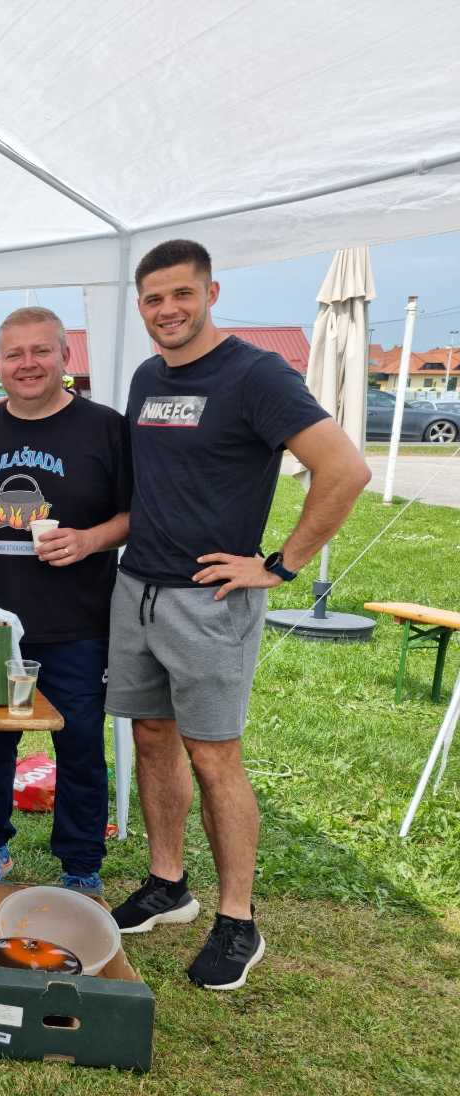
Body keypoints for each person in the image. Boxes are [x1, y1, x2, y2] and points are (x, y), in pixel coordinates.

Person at [107, 239, 370, 990]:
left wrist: (279, 565)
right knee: (151, 737)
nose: (168, 310)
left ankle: (237, 920)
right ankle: (168, 882)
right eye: (154, 299)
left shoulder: (256, 373)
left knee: (214, 754)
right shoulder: (147, 378)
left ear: (211, 293)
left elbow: (344, 468)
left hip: (211, 601)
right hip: (139, 588)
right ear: (140, 305)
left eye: (181, 294)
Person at [0, 307, 130, 896]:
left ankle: (81, 867)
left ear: (65, 357)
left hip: (78, 621)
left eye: (41, 351)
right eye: (14, 354)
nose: (27, 364)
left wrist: (89, 540)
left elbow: (135, 514)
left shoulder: (105, 428)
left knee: (79, 743)